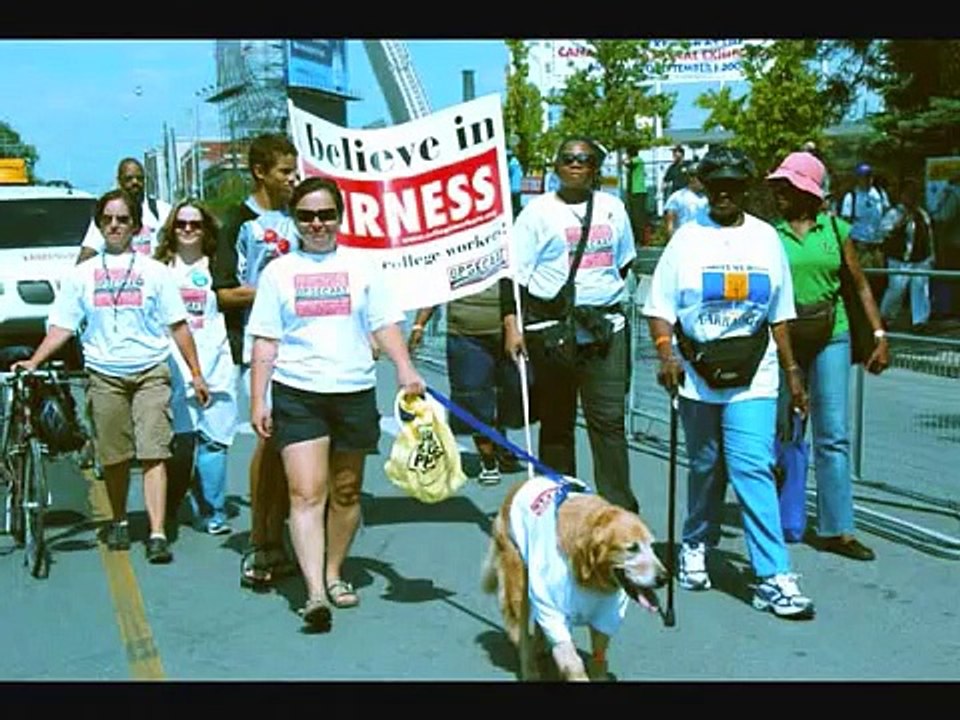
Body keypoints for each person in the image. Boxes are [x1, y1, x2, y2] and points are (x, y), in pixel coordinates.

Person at [643, 146, 816, 620]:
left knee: (752, 467)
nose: (723, 193)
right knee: (704, 465)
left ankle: (773, 576)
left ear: (745, 190)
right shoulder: (687, 240)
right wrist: (666, 352)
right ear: (703, 186)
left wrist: (793, 372)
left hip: (754, 374)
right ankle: (695, 542)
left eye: (733, 186)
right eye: (714, 185)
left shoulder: (765, 239)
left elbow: (780, 314)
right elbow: (659, 308)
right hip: (698, 374)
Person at [246, 176, 425, 628]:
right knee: (306, 493)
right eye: (306, 216)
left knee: (345, 493)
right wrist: (258, 399)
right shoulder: (279, 273)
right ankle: (314, 593)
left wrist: (405, 368)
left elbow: (384, 323)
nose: (317, 224)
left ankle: (332, 572)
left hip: (352, 390)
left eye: (326, 215)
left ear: (340, 217)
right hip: (298, 391)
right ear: (294, 220)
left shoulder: (364, 267)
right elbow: (265, 341)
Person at [13, 188, 209, 564]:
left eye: (123, 219)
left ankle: (155, 531)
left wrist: (196, 374)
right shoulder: (82, 275)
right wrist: (35, 361)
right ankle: (119, 518)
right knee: (115, 456)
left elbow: (178, 326)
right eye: (108, 220)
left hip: (151, 370)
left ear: (136, 227)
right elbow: (62, 327)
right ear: (99, 225)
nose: (115, 225)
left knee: (154, 451)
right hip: (105, 374)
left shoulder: (155, 272)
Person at [500, 136, 639, 513]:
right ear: (556, 166)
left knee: (608, 424)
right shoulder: (535, 213)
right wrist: (512, 326)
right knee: (558, 426)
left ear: (595, 169)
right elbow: (513, 278)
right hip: (553, 332)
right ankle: (560, 510)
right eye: (568, 159)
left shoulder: (613, 209)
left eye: (585, 159)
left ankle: (618, 517)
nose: (576, 165)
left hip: (605, 330)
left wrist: (598, 298)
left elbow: (623, 262)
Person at [766, 151, 890, 563]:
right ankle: (787, 520)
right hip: (784, 339)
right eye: (777, 188)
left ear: (807, 190)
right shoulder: (771, 235)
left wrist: (878, 334)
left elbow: (860, 287)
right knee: (787, 430)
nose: (778, 194)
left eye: (786, 187)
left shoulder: (836, 230)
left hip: (831, 336)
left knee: (833, 434)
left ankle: (838, 528)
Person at [211, 133, 299, 589]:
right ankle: (261, 537)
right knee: (268, 441)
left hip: (305, 349)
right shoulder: (238, 223)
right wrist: (275, 290)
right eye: (285, 172)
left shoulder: (301, 217)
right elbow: (224, 290)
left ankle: (288, 532)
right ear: (261, 172)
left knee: (299, 446)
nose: (293, 180)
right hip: (257, 346)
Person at [155, 199, 239, 535]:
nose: (188, 230)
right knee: (180, 444)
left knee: (215, 441)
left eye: (195, 224)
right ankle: (173, 501)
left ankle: (213, 509)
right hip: (173, 365)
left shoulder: (220, 268)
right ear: (172, 230)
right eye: (181, 224)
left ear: (206, 230)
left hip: (216, 362)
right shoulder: (160, 269)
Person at [407, 287, 525, 487]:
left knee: (509, 394)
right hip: (465, 336)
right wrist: (419, 325)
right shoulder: (453, 256)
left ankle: (500, 444)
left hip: (507, 332)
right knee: (473, 398)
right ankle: (488, 461)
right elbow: (434, 287)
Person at [75, 157, 172, 263]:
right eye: (129, 178)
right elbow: (89, 252)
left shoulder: (162, 211)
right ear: (119, 180)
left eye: (139, 178)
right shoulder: (108, 213)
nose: (135, 182)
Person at [878, 178, 935, 330]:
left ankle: (920, 321)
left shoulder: (922, 214)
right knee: (896, 289)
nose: (911, 197)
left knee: (921, 288)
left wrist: (932, 255)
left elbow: (929, 235)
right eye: (908, 193)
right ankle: (885, 318)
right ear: (902, 195)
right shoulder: (894, 213)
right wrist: (900, 222)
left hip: (920, 258)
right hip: (899, 258)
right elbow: (884, 232)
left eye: (914, 193)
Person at [839, 162, 890, 301]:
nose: (867, 179)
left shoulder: (880, 194)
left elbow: (886, 214)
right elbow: (846, 222)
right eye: (863, 177)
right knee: (860, 280)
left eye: (869, 176)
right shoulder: (851, 197)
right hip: (860, 245)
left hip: (877, 245)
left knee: (878, 281)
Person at [663, 162, 708, 237]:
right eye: (701, 178)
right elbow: (670, 225)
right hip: (684, 240)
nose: (704, 181)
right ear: (691, 178)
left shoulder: (708, 197)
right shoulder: (677, 197)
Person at [626, 148, 648, 246]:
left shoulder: (637, 160)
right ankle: (636, 238)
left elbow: (627, 163)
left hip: (638, 191)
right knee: (633, 216)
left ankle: (641, 239)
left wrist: (626, 157)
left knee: (638, 216)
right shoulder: (636, 161)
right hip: (633, 191)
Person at [508, 151, 523, 219]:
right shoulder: (517, 164)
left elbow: (509, 174)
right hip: (518, 187)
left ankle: (514, 215)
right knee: (517, 202)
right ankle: (518, 215)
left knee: (512, 203)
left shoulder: (511, 164)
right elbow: (521, 175)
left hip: (512, 187)